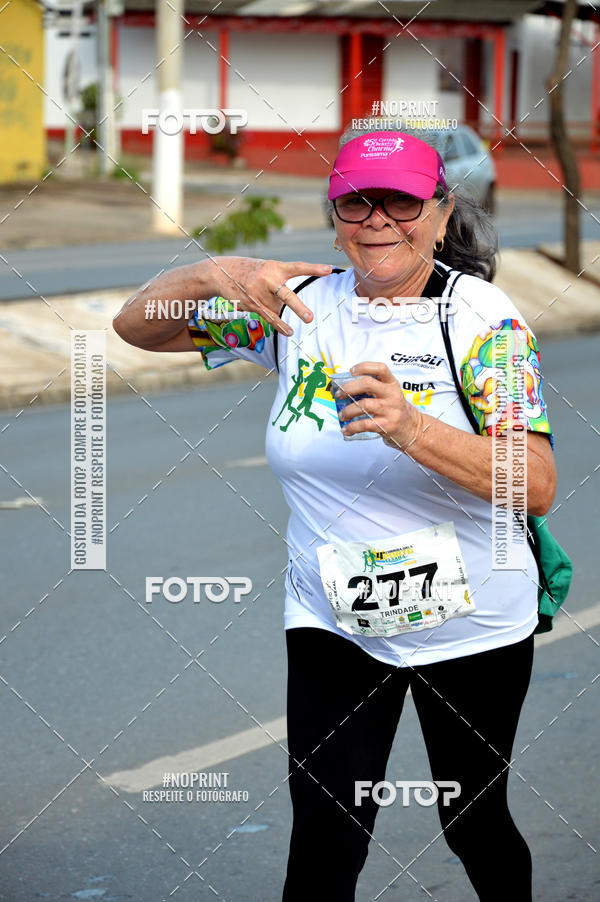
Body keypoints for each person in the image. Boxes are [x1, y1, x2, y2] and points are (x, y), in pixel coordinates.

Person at [113, 127, 556, 901]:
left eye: (401, 202)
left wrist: (411, 427)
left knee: (474, 823)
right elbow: (137, 328)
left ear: (441, 214)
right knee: (325, 837)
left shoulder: (483, 321)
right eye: (357, 201)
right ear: (335, 215)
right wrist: (215, 272)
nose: (377, 219)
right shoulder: (300, 309)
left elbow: (538, 482)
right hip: (334, 619)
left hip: (474, 625)